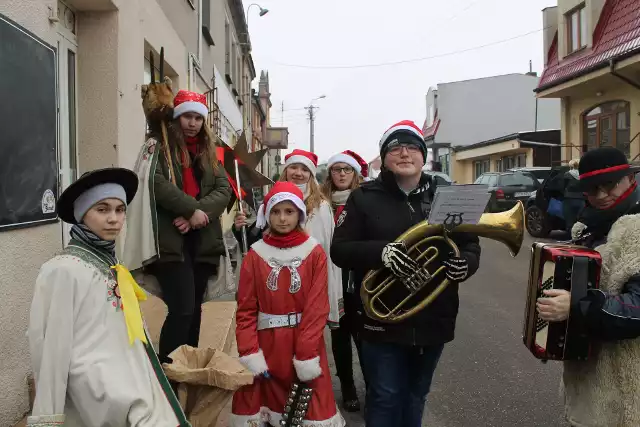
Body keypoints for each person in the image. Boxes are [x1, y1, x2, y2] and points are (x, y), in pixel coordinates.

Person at [331, 120, 482, 427]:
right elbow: (340, 250)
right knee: (385, 395)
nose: (404, 153)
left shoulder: (447, 193)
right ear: (384, 157)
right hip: (382, 320)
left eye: (412, 147)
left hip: (433, 316)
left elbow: (470, 244)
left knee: (416, 394)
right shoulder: (365, 196)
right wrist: (382, 252)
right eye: (395, 148)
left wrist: (465, 264)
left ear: (423, 156)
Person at [27, 168, 189, 427]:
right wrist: (48, 416)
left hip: (129, 387)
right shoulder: (63, 270)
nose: (114, 219)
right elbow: (51, 349)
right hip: (97, 395)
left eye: (120, 209)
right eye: (102, 209)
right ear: (82, 214)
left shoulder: (113, 265)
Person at [536, 146, 640, 427]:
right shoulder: (588, 228)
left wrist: (576, 304)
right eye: (593, 189)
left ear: (629, 180)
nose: (602, 195)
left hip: (630, 388)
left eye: (610, 184)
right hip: (591, 381)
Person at [126, 89, 231, 364]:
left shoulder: (209, 151)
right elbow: (155, 183)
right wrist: (190, 209)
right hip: (170, 242)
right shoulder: (157, 145)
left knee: (195, 311)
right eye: (187, 116)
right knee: (182, 309)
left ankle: (187, 369)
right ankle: (168, 374)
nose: (193, 122)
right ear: (177, 117)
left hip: (201, 241)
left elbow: (223, 189)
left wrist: (198, 215)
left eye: (198, 117)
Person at [230, 182, 345, 426]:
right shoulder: (255, 254)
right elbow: (246, 309)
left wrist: (305, 354)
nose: (282, 218)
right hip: (267, 345)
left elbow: (317, 308)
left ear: (300, 214)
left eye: (289, 212)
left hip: (304, 345)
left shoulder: (314, 253)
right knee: (268, 410)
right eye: (276, 211)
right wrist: (250, 352)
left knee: (306, 412)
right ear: (267, 214)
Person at [233, 149, 343, 329]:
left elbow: (327, 252)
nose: (298, 173)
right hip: (275, 282)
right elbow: (258, 241)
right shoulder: (272, 201)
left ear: (311, 175)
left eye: (304, 169)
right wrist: (240, 229)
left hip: (307, 282)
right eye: (294, 167)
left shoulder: (320, 207)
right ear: (286, 170)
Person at [322, 149, 369, 412]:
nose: (341, 174)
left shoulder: (365, 200)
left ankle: (372, 384)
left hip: (360, 275)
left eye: (346, 169)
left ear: (355, 174)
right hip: (332, 276)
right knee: (339, 334)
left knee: (364, 334)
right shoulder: (320, 201)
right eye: (336, 169)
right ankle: (348, 387)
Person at [562, 158, 585, 232]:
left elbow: (562, 186)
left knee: (569, 220)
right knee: (580, 220)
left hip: (569, 199)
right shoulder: (583, 175)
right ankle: (579, 235)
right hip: (581, 199)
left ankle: (570, 236)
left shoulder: (567, 174)